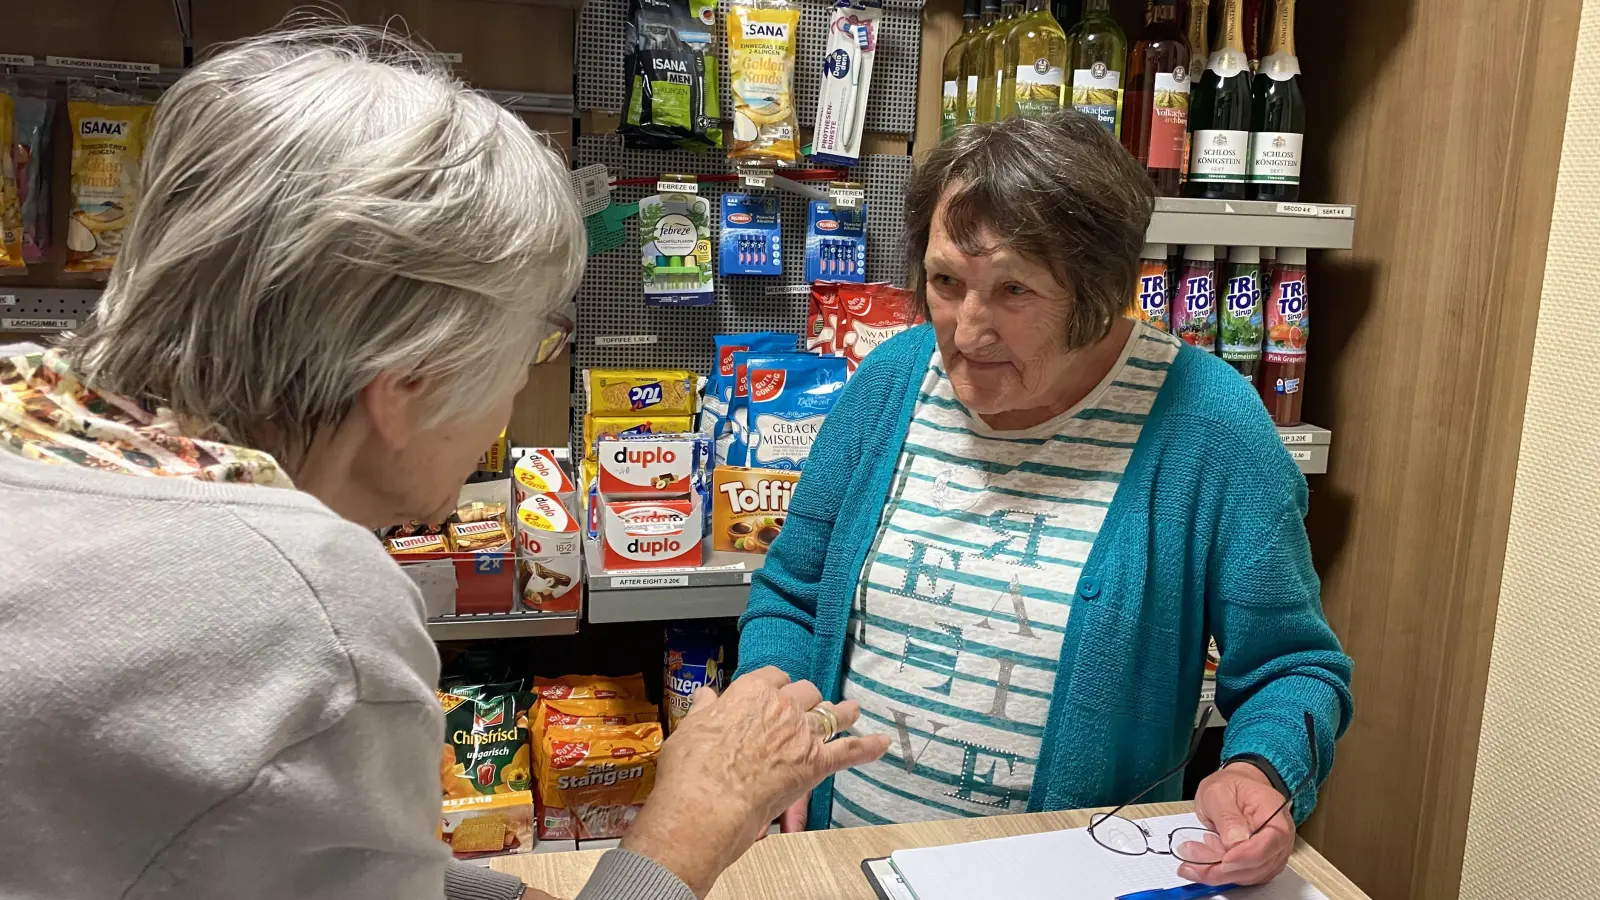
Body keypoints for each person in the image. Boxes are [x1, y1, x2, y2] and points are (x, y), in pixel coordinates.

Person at [0, 23, 887, 900]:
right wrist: (693, 820)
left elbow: (266, 851)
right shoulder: (306, 617)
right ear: (410, 382)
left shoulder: (38, 436)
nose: (506, 408)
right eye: (531, 347)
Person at [736, 112, 1353, 887]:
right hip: (843, 866)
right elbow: (792, 594)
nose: (966, 329)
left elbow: (1294, 666)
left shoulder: (1211, 425)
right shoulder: (889, 382)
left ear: (1095, 294)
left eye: (1013, 290)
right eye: (945, 281)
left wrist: (1263, 771)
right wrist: (772, 719)